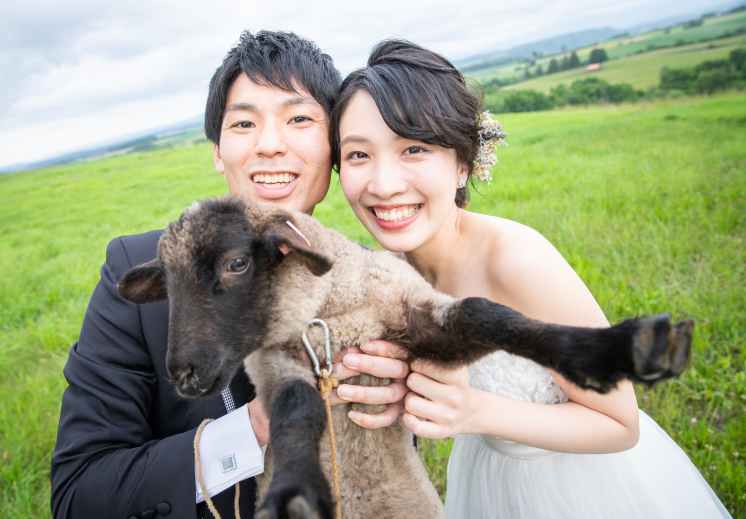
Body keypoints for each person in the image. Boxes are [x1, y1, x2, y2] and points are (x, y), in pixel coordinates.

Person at [331, 39, 732, 518]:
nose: (384, 183)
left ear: (462, 163)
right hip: (490, 477)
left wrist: (473, 411)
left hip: (584, 486)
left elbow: (621, 422)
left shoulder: (515, 259)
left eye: (414, 148)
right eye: (358, 155)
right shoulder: (392, 273)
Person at [50, 30, 410, 519]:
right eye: (243, 123)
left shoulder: (367, 278)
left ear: (333, 148)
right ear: (218, 151)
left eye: (299, 119)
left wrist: (405, 401)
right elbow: (79, 493)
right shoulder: (135, 268)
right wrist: (258, 427)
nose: (269, 144)